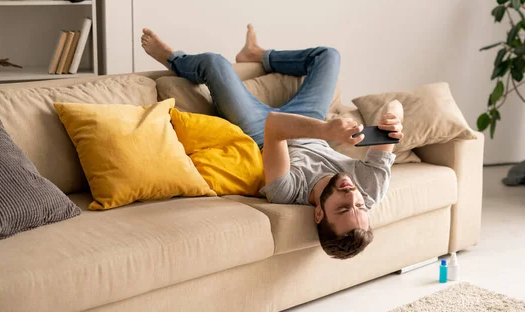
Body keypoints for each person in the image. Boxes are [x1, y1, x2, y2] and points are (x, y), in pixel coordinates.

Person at [141, 24, 404, 260]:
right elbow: (394, 112)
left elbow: (275, 127)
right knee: (328, 56)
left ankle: (172, 59)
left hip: (261, 129)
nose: (352, 195)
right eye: (359, 205)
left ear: (319, 215)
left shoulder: (287, 192)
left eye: (344, 208)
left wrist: (327, 131)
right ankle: (257, 55)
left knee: (215, 63)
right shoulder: (370, 188)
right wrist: (393, 120)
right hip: (310, 118)